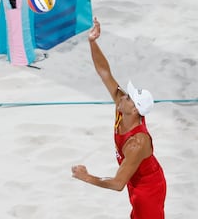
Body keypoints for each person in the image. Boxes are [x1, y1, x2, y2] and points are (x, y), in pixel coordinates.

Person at [71, 18, 166, 219]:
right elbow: (105, 72)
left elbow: (117, 184)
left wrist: (87, 177)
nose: (123, 95)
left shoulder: (137, 143)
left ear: (135, 110)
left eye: (129, 97)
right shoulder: (122, 108)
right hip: (134, 177)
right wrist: (92, 42)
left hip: (148, 188)